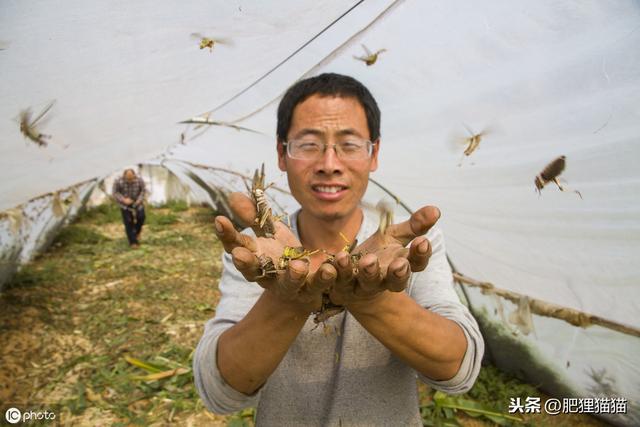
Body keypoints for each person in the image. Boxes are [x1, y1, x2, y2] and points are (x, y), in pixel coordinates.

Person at [193, 73, 484, 426]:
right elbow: (220, 389)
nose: (329, 164)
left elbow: (459, 368)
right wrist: (287, 299)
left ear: (373, 153)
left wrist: (371, 299)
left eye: (349, 145)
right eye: (308, 144)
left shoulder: (405, 248)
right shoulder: (259, 252)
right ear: (281, 155)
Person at [112, 168, 146, 248]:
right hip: (125, 204)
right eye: (128, 178)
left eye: (131, 178)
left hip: (137, 202)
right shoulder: (118, 181)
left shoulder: (139, 180)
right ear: (124, 176)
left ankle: (137, 232)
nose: (130, 180)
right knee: (128, 221)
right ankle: (133, 242)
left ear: (134, 175)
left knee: (141, 217)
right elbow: (115, 192)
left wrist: (138, 200)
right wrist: (123, 199)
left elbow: (143, 191)